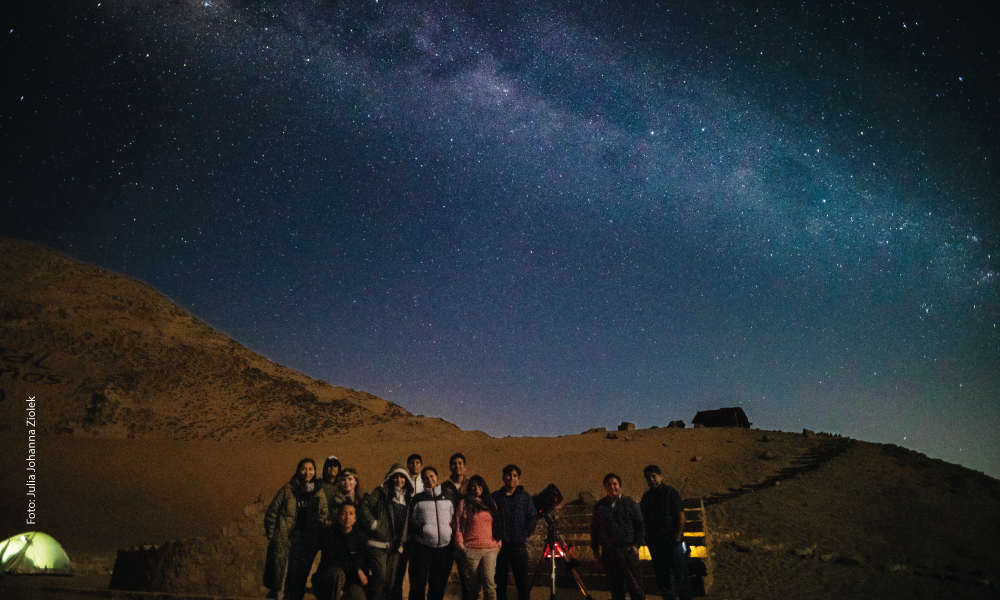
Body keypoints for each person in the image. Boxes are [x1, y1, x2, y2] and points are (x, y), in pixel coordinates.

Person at [264, 458, 329, 600]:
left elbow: (323, 513)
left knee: (299, 576)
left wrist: (315, 529)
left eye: (310, 468)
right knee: (283, 576)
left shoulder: (318, 492)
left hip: (306, 541)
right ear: (298, 470)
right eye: (304, 468)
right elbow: (272, 512)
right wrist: (273, 535)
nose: (307, 472)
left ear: (314, 471)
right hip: (287, 539)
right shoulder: (288, 490)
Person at [360, 464, 414, 600]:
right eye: (395, 476)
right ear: (390, 478)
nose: (399, 480)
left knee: (389, 583)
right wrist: (374, 524)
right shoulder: (381, 492)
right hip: (378, 543)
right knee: (380, 577)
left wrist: (402, 541)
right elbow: (364, 507)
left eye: (402, 477)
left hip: (395, 547)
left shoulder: (407, 498)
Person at [590, 473, 646, 600]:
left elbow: (640, 525)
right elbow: (594, 530)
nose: (612, 487)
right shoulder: (600, 506)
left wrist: (636, 545)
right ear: (605, 488)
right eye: (608, 484)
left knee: (635, 587)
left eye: (614, 484)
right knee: (616, 589)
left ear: (620, 486)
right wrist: (595, 551)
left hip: (628, 552)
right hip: (609, 553)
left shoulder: (629, 503)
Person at [640, 466, 692, 600]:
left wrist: (677, 538)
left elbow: (680, 516)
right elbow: (643, 520)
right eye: (648, 477)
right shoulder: (646, 498)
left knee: (681, 580)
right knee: (663, 583)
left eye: (653, 476)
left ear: (660, 476)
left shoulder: (670, 493)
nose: (651, 480)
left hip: (673, 544)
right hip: (656, 547)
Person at [408, 467, 455, 600]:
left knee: (438, 583)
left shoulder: (448, 497)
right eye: (426, 478)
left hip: (443, 548)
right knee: (419, 582)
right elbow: (411, 521)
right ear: (422, 481)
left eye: (432, 476)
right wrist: (423, 530)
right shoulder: (418, 499)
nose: (430, 480)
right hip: (423, 547)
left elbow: (453, 518)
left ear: (437, 476)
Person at [492, 465, 537, 600]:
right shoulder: (495, 497)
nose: (511, 478)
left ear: (518, 479)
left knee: (522, 584)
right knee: (500, 585)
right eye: (508, 474)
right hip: (501, 548)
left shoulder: (524, 497)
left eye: (514, 475)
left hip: (519, 548)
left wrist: (526, 532)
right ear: (503, 477)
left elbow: (532, 516)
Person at [454, 475, 503, 600]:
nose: (476, 488)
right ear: (469, 488)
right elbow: (458, 524)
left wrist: (498, 544)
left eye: (479, 485)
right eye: (473, 486)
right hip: (471, 550)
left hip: (490, 550)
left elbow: (497, 522)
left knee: (489, 584)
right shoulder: (464, 503)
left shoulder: (490, 503)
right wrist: (460, 543)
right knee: (473, 587)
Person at [314, 502, 369, 600]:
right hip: (328, 581)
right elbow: (331, 561)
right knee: (338, 573)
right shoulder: (329, 533)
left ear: (355, 519)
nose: (347, 517)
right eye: (344, 513)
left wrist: (347, 588)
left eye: (351, 514)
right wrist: (356, 569)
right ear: (339, 517)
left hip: (349, 581)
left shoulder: (360, 538)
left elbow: (361, 563)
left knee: (358, 595)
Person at [391, 454, 425, 600]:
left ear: (421, 465)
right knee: (398, 571)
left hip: (420, 535)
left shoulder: (426, 482)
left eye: (417, 463)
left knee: (417, 573)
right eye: (411, 463)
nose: (414, 465)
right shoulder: (403, 481)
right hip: (403, 534)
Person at [319, 456, 343, 520]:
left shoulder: (343, 486)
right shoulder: (318, 485)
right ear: (325, 468)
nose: (332, 468)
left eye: (335, 466)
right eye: (329, 466)